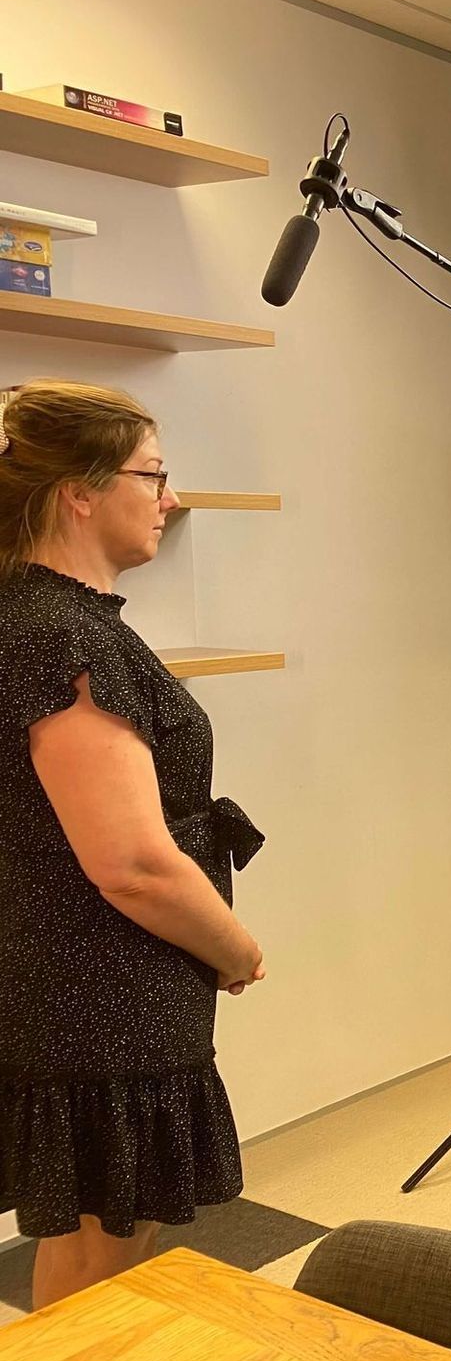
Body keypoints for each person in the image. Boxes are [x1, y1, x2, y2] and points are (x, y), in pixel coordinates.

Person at [0, 380, 266, 1309]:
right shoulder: (61, 636)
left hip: (102, 986)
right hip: (100, 990)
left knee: (112, 1231)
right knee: (100, 1256)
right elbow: (135, 865)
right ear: (80, 489)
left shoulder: (54, 621)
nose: (171, 497)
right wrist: (234, 948)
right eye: (153, 474)